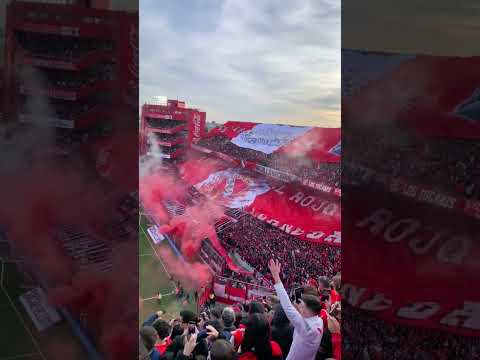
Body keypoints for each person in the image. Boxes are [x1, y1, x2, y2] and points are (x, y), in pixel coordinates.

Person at [269, 259, 323, 360]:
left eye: (301, 305)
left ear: (307, 310)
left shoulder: (305, 327)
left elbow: (288, 307)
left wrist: (276, 276)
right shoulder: (318, 320)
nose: (298, 306)